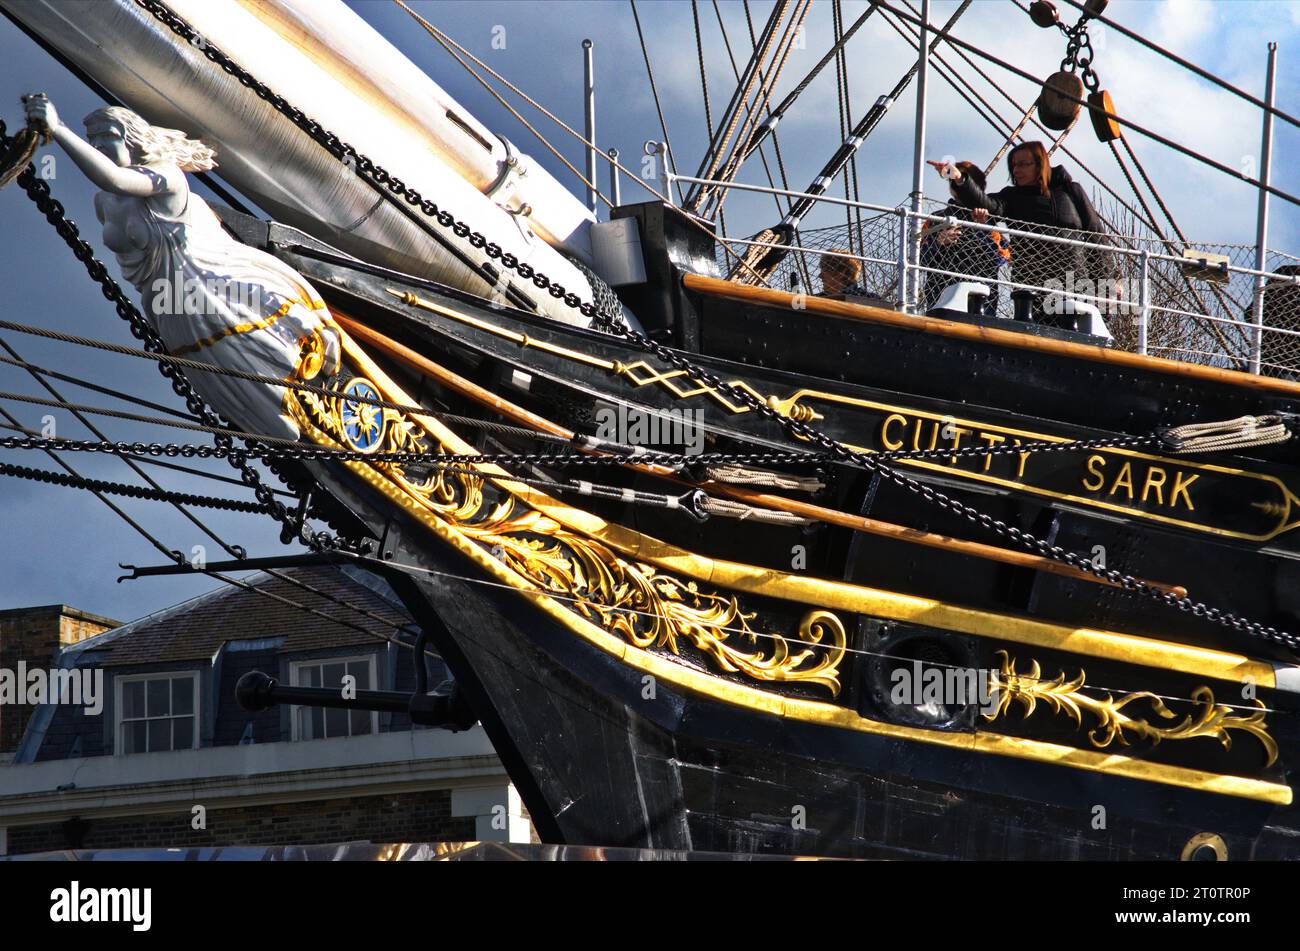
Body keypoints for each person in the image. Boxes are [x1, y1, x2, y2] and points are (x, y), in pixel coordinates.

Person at [21, 94, 340, 440]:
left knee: (258, 360)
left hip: (204, 285)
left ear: (131, 139)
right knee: (222, 382)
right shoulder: (104, 204)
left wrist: (59, 130)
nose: (98, 147)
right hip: (165, 303)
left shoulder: (166, 177)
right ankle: (287, 431)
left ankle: (310, 421)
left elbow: (114, 178)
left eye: (106, 140)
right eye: (93, 142)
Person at [933, 142, 1118, 324]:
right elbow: (984, 202)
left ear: (1040, 165)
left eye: (1022, 164)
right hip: (1033, 288)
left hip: (1075, 284)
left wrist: (1110, 282)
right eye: (1013, 165)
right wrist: (958, 178)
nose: (1016, 170)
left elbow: (1096, 236)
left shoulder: (1070, 190)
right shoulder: (1011, 197)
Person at [919, 161, 1010, 316]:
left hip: (981, 300)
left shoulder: (989, 221)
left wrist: (983, 229)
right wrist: (938, 242)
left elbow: (1002, 258)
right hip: (941, 295)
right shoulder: (936, 220)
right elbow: (920, 259)